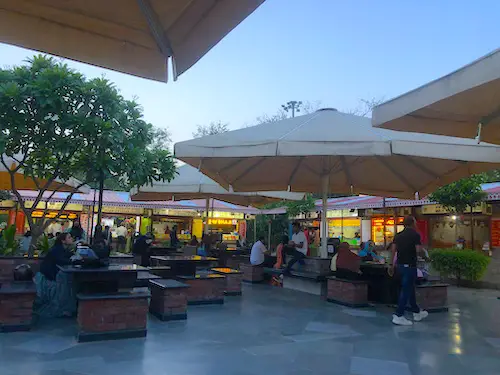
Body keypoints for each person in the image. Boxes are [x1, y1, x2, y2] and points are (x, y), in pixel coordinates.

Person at [390, 216, 428, 326]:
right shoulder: (415, 235)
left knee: (410, 288)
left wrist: (391, 264)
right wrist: (425, 258)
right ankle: (398, 315)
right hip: (410, 266)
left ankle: (416, 312)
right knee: (406, 290)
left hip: (400, 266)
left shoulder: (398, 235)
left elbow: (393, 250)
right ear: (412, 223)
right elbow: (418, 250)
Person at [34, 232, 76, 317]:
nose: (71, 238)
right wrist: (74, 260)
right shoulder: (57, 249)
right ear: (63, 241)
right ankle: (65, 309)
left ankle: (68, 308)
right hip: (49, 277)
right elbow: (61, 260)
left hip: (52, 275)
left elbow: (69, 256)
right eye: (69, 237)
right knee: (66, 284)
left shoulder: (62, 249)